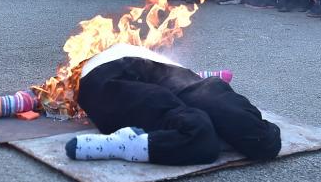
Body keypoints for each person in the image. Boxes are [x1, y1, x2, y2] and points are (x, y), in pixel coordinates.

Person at [65, 44, 282, 166]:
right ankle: (128, 145)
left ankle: (140, 143)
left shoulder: (142, 50)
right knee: (197, 131)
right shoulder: (93, 62)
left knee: (260, 140)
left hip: (160, 67)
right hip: (101, 73)